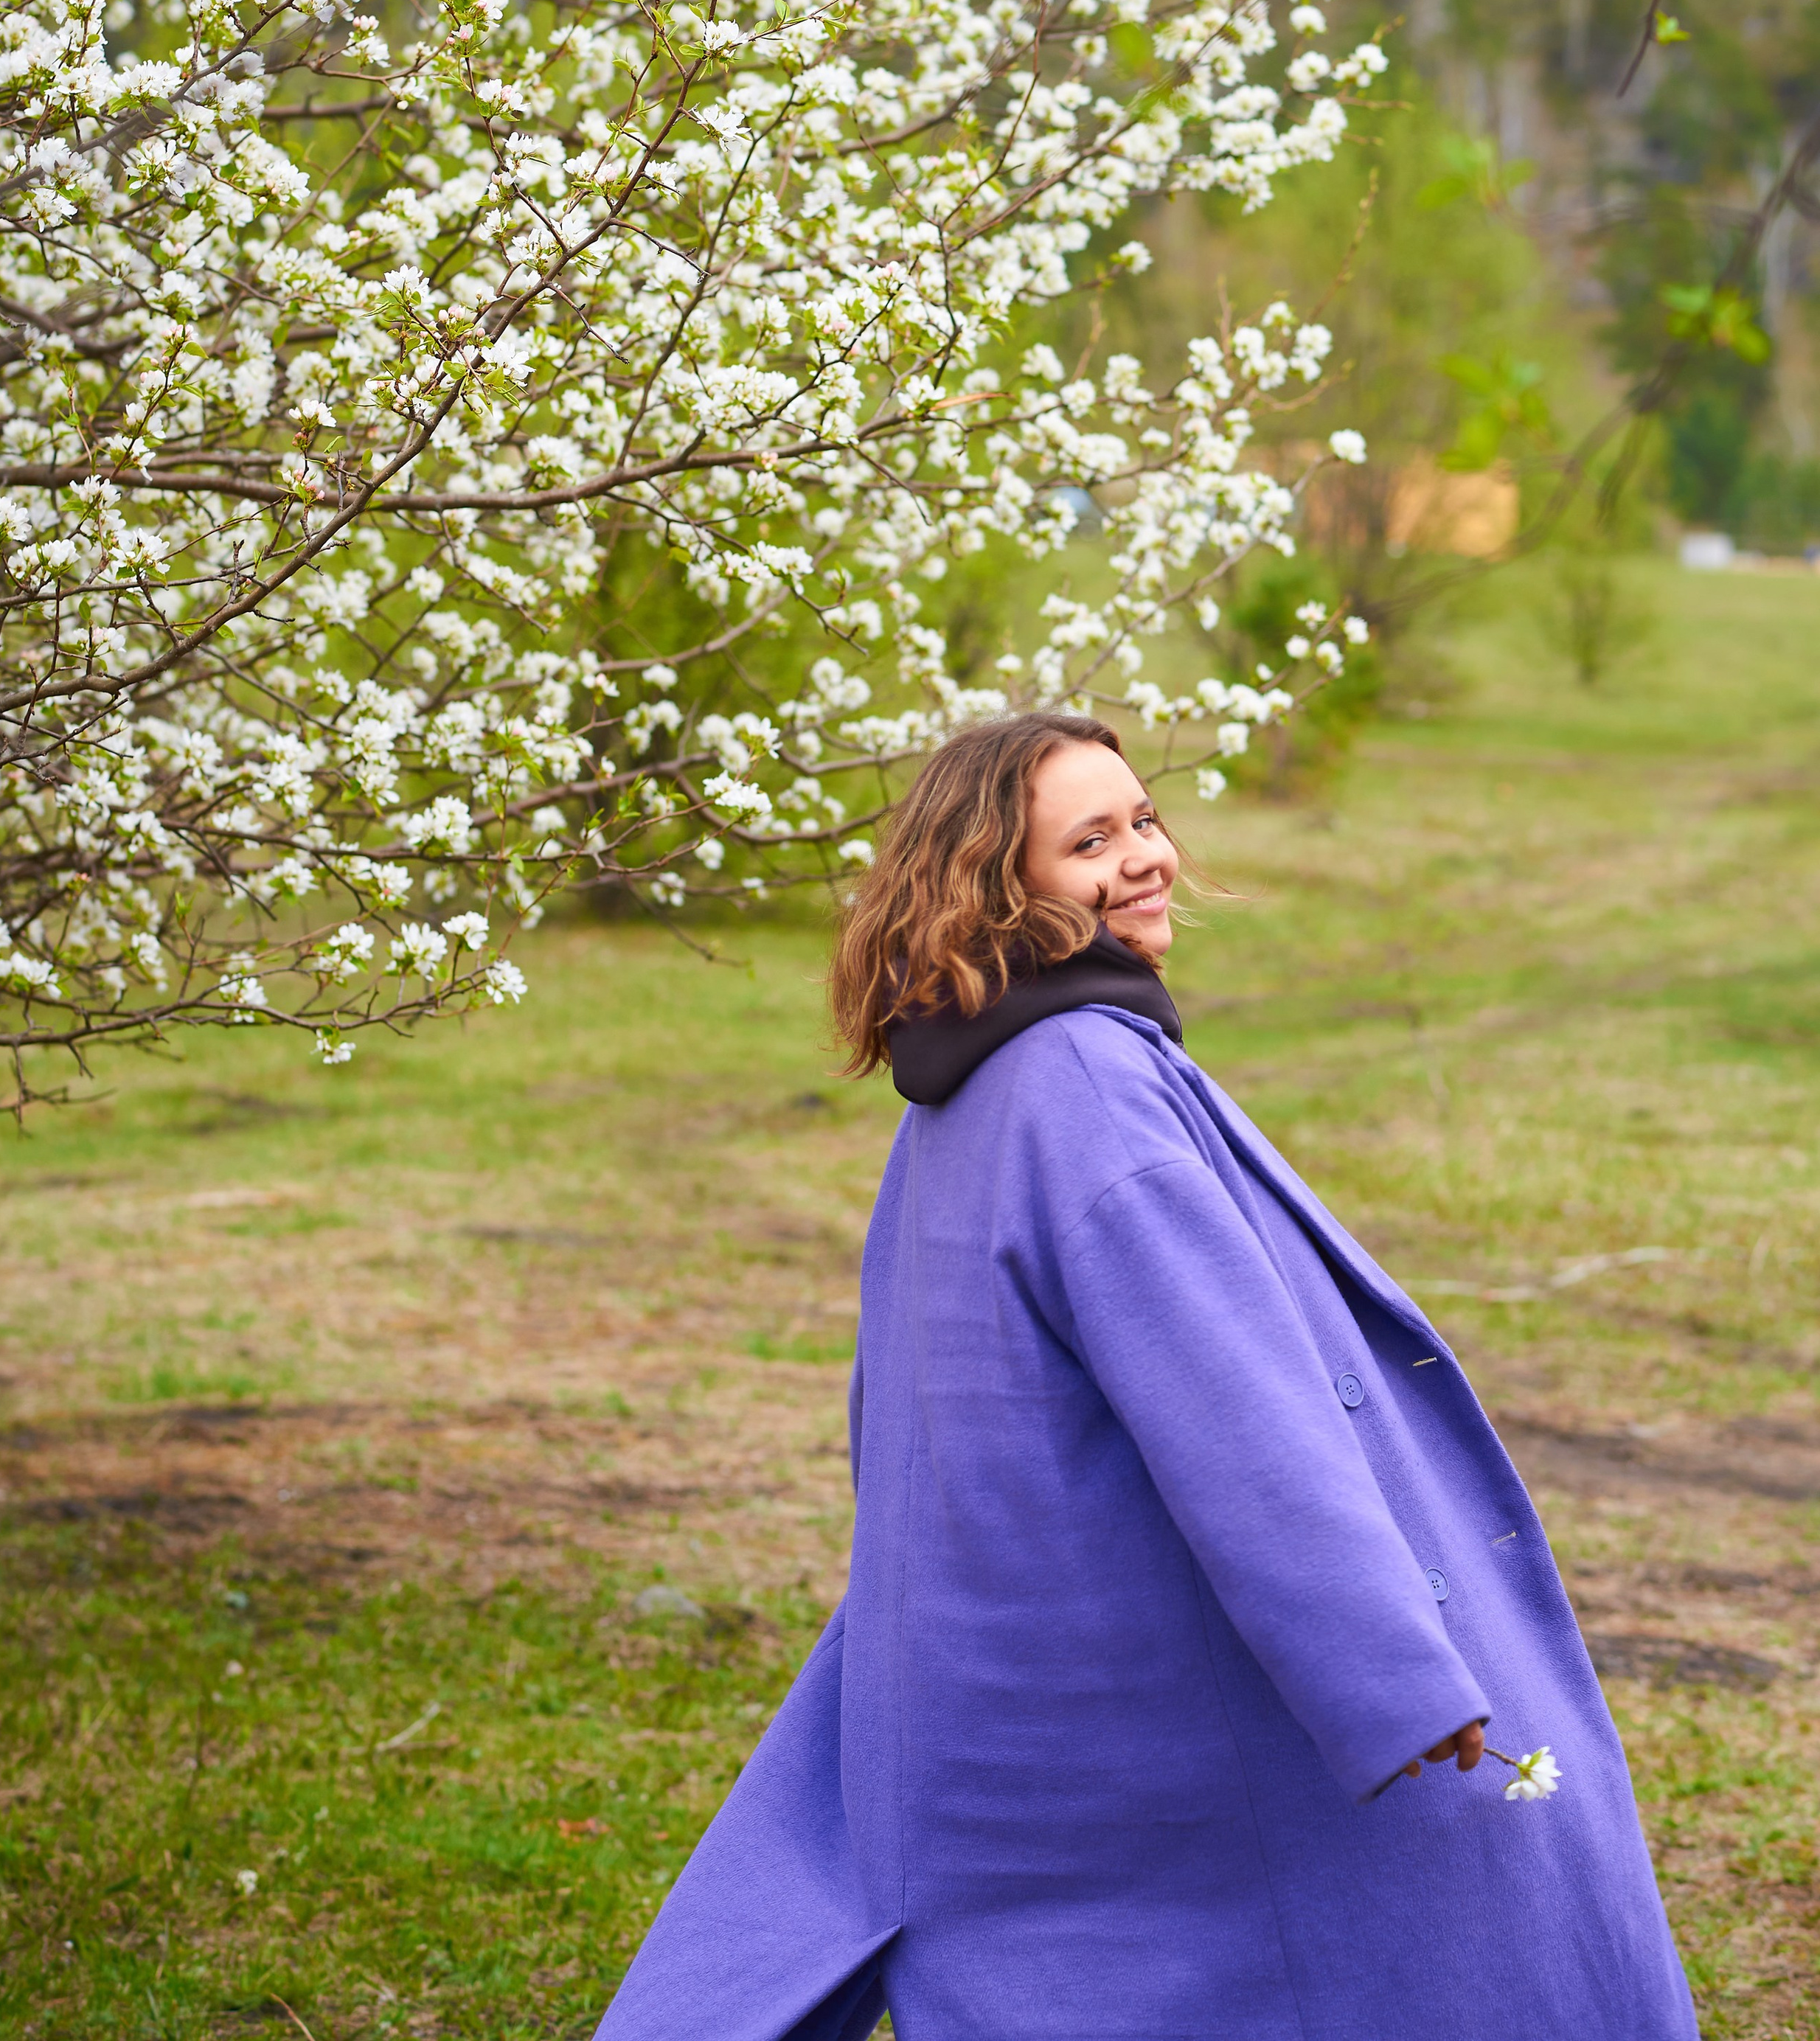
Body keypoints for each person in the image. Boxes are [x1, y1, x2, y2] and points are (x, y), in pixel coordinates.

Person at [598, 712, 1697, 2041]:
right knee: (1488, 1918)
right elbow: (1238, 1413)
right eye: (1089, 841)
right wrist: (1395, 1674)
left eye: (1143, 820)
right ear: (1001, 888)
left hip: (1028, 1674)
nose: (1144, 859)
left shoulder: (972, 1091)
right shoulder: (1085, 1087)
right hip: (1138, 1675)